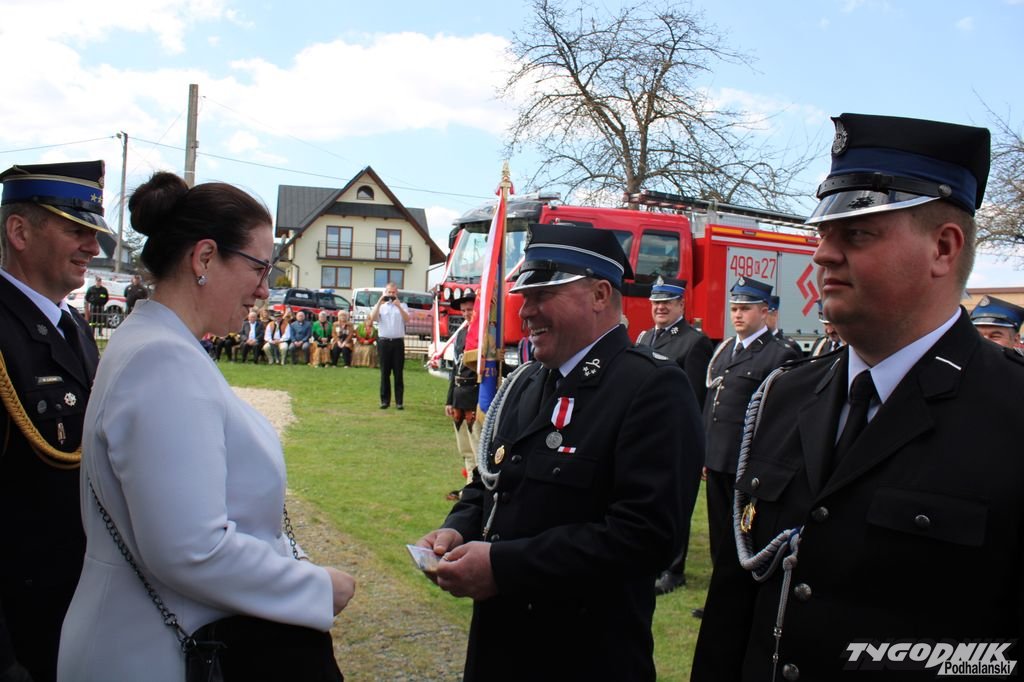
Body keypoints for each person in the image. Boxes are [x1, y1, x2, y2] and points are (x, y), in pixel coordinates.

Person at [691, 113, 1024, 681]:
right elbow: (734, 605)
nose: (822, 255)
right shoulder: (784, 395)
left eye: (857, 234)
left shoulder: (1010, 412)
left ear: (943, 248)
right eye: (823, 234)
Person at [57, 171, 355, 681]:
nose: (264, 289)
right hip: (153, 653)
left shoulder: (163, 345)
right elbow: (190, 548)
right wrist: (318, 587)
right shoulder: (161, 360)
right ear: (204, 258)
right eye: (259, 268)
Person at [416, 224, 703, 682]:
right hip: (499, 648)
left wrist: (503, 567)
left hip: (583, 657)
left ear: (600, 294)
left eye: (542, 294)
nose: (525, 310)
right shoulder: (528, 381)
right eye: (524, 296)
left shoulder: (651, 388)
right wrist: (457, 529)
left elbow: (646, 537)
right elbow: (491, 483)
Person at [0, 161, 108, 682]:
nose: (93, 247)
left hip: (74, 606)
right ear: (19, 232)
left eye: (94, 233)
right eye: (75, 230)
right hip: (20, 621)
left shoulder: (72, 326)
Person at [702, 278, 800, 570]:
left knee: (743, 533)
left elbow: (779, 416)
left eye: (745, 309)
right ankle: (719, 580)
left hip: (747, 460)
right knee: (718, 528)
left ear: (764, 311)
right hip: (718, 455)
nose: (737, 315)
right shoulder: (725, 349)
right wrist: (706, 450)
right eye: (734, 309)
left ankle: (738, 582)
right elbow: (712, 402)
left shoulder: (779, 353)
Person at [634, 276, 713, 595]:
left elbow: (694, 399)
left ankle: (673, 569)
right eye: (656, 302)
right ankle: (649, 558)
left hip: (673, 435)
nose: (660, 307)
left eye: (667, 302)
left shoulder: (694, 342)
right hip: (644, 432)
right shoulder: (644, 338)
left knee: (674, 502)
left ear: (681, 304)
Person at [444, 290, 480, 491]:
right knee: (465, 449)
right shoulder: (461, 334)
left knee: (477, 447)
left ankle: (477, 490)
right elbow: (454, 369)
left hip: (474, 396)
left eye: (470, 309)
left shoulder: (484, 334)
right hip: (459, 395)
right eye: (464, 310)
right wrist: (449, 399)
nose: (466, 313)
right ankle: (469, 488)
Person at [369, 282, 410, 409]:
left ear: (397, 293)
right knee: (384, 372)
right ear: (385, 292)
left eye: (393, 292)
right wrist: (379, 301)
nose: (391, 295)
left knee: (398, 373)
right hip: (384, 342)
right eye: (389, 292)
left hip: (398, 342)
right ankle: (385, 401)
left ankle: (399, 402)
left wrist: (399, 307)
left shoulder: (403, 305)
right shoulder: (381, 306)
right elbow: (373, 318)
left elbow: (407, 319)